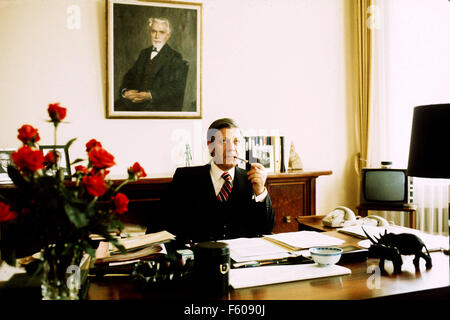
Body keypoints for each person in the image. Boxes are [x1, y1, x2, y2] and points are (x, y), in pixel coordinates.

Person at [163, 118, 275, 245]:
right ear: (210, 146)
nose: (231, 148)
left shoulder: (251, 180)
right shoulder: (185, 178)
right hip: (199, 257)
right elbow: (166, 226)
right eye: (223, 141)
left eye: (236, 142)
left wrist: (260, 192)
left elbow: (266, 229)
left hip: (241, 260)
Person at [114, 17, 188, 112]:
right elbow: (129, 76)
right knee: (115, 107)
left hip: (158, 106)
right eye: (154, 31)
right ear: (150, 33)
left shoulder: (175, 57)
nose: (157, 36)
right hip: (136, 103)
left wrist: (149, 95)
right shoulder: (144, 53)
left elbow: (176, 88)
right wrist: (125, 92)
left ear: (168, 35)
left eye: (161, 32)